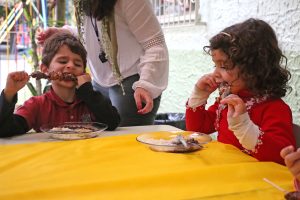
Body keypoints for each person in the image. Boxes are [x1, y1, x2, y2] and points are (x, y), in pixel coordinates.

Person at [36, 0, 169, 126]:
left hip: (132, 81)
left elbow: (155, 45)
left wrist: (146, 84)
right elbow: (94, 33)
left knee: (125, 142)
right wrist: (63, 32)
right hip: (99, 82)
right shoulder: (84, 3)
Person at [185, 18, 295, 165]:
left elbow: (282, 155)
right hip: (227, 175)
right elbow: (198, 129)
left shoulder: (275, 109)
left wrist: (244, 127)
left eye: (224, 66)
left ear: (253, 69)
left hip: (256, 182)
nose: (216, 74)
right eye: (215, 65)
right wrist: (199, 95)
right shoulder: (230, 99)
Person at [0, 32, 120, 137]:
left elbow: (113, 122)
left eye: (77, 64)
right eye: (62, 61)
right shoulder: (37, 105)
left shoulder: (92, 101)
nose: (71, 66)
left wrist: (87, 92)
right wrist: (9, 94)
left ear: (83, 72)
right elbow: (5, 130)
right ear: (45, 69)